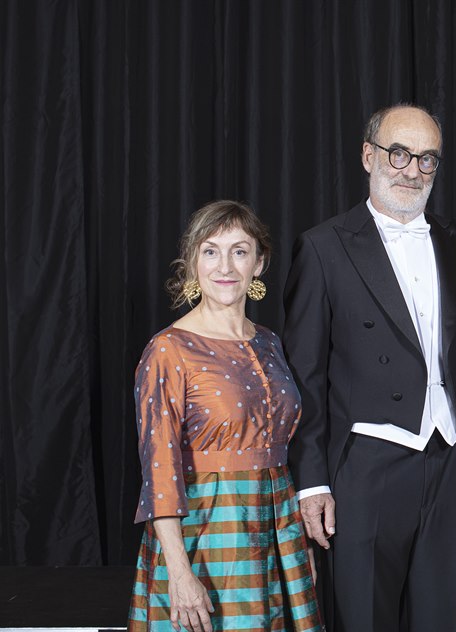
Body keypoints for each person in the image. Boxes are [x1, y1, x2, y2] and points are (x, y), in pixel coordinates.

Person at [282, 104, 456, 632]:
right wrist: (312, 483)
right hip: (366, 466)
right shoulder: (323, 246)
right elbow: (304, 375)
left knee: (443, 619)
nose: (412, 170)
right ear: (368, 155)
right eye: (398, 153)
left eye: (427, 159)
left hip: (455, 461)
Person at [128, 201, 323, 632]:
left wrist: (297, 541)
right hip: (206, 531)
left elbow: (285, 450)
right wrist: (179, 573)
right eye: (210, 251)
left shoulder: (270, 342)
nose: (225, 266)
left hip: (279, 530)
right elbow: (159, 472)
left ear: (259, 262)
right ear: (193, 261)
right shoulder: (169, 349)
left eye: (239, 251)